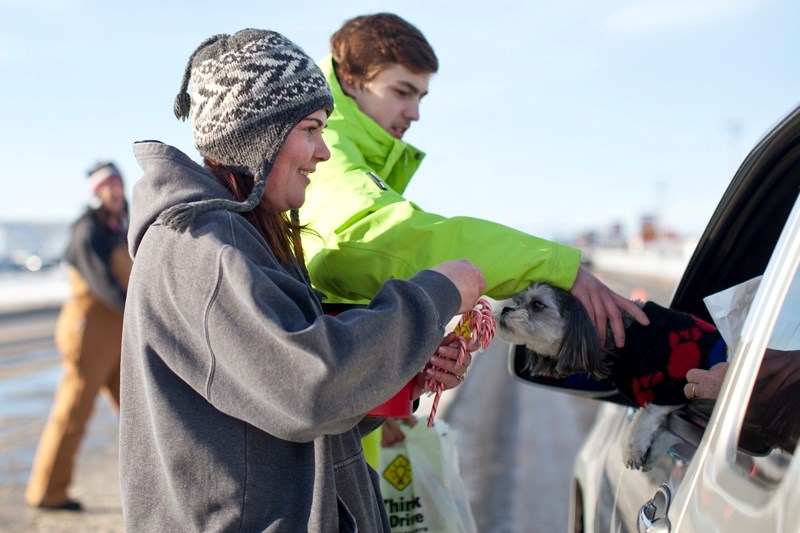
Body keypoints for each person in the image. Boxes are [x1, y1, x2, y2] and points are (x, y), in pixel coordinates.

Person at [118, 28, 486, 532]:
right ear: (257, 136)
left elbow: (291, 417)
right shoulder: (205, 246)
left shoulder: (243, 235)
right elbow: (312, 386)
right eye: (310, 129)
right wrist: (435, 294)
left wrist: (402, 372)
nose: (324, 152)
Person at [298, 12, 649, 449]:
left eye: (421, 96)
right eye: (401, 92)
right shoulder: (330, 152)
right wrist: (556, 267)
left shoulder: (346, 152)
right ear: (349, 79)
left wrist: (389, 395)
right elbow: (373, 237)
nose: (415, 113)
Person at [25, 161, 131, 511]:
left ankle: (156, 487)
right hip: (89, 329)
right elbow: (102, 284)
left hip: (117, 331)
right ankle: (48, 492)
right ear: (97, 192)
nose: (117, 192)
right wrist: (136, 310)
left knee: (137, 411)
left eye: (120, 185)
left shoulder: (117, 227)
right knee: (72, 412)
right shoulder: (88, 230)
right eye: (110, 187)